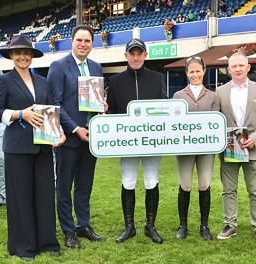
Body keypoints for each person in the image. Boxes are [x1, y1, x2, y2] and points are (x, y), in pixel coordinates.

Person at [0, 34, 64, 260]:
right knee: (21, 198)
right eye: (18, 53)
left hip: (42, 147)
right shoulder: (4, 80)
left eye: (27, 53)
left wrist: (56, 134)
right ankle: (24, 246)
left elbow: (50, 110)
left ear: (32, 56)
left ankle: (47, 242)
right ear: (11, 56)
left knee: (44, 195)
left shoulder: (42, 81)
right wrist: (21, 114)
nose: (23, 56)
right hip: (17, 149)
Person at [48, 24, 106, 249]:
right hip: (69, 138)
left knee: (85, 185)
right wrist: (75, 128)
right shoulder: (59, 66)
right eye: (79, 40)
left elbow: (96, 100)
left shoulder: (96, 67)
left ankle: (83, 225)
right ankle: (68, 230)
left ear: (93, 43)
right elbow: (56, 104)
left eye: (87, 41)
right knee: (64, 186)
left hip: (92, 138)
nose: (83, 44)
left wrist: (103, 106)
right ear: (72, 42)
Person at [107, 38, 167, 244]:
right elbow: (112, 110)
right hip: (127, 143)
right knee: (128, 182)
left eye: (139, 53)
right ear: (125, 56)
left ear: (145, 55)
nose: (135, 57)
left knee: (152, 181)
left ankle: (150, 226)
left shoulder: (157, 78)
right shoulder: (115, 82)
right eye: (131, 53)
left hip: (152, 143)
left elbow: (164, 109)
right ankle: (129, 227)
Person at [215, 52, 256, 242]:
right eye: (234, 66)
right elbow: (216, 120)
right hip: (230, 150)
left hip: (253, 149)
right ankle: (230, 225)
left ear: (248, 67)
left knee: (255, 191)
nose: (238, 69)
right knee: (228, 190)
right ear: (228, 69)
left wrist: (255, 138)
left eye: (241, 65)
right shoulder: (219, 91)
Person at [173, 56, 220, 241]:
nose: (195, 74)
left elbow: (216, 122)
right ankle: (182, 225)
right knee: (185, 185)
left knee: (204, 185)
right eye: (191, 71)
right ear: (187, 73)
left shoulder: (213, 96)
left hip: (206, 150)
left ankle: (204, 225)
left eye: (197, 71)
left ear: (204, 71)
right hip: (184, 149)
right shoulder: (178, 96)